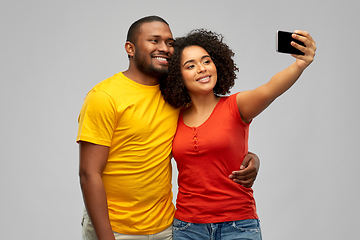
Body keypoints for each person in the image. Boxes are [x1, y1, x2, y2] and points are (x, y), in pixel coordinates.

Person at [77, 16, 260, 240]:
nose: (164, 48)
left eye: (170, 42)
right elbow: (88, 173)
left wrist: (249, 157)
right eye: (154, 41)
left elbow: (212, 135)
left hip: (166, 228)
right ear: (130, 48)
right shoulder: (104, 97)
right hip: (114, 228)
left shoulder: (175, 96)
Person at [160, 29, 316, 240]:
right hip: (188, 229)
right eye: (190, 65)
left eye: (206, 61)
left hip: (238, 226)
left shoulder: (235, 106)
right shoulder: (172, 117)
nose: (201, 69)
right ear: (178, 76)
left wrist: (299, 65)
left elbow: (270, 89)